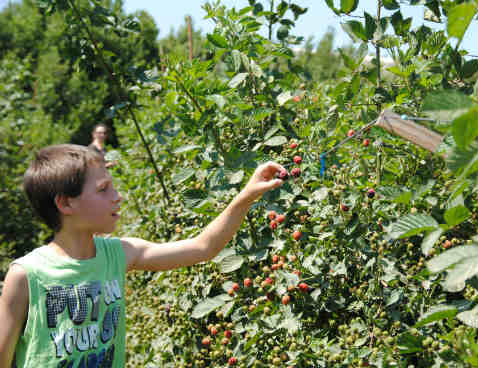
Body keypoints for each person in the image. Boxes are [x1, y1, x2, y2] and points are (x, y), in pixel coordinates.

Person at [0, 144, 284, 367]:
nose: (117, 196)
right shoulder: (27, 275)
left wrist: (247, 195)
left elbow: (204, 248)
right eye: (103, 189)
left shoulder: (118, 254)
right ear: (65, 203)